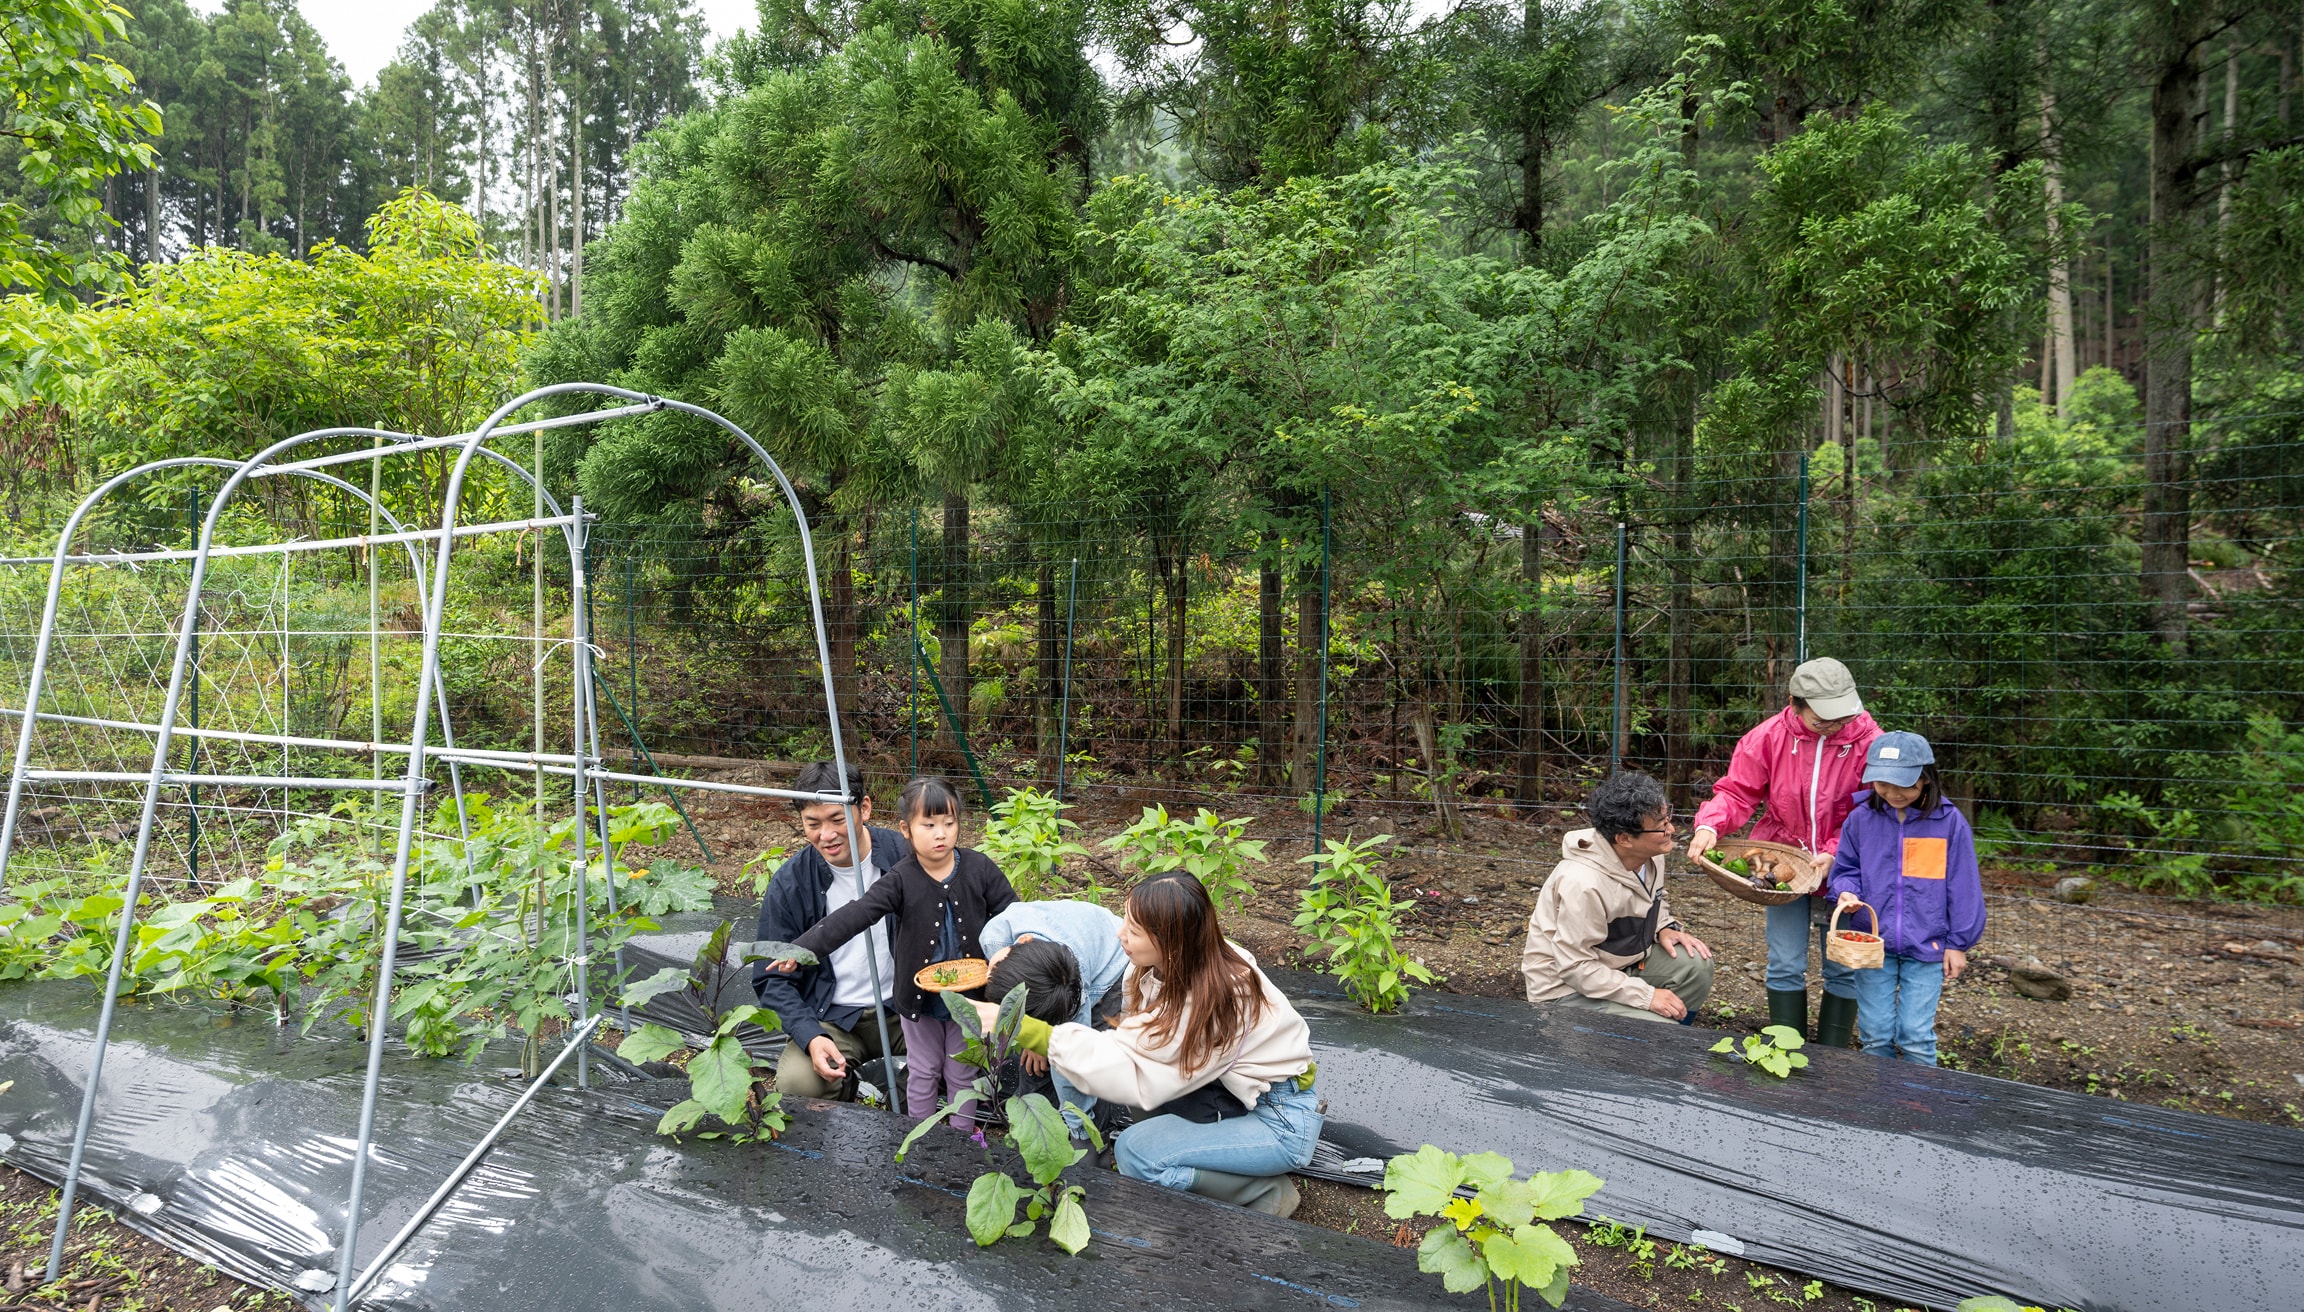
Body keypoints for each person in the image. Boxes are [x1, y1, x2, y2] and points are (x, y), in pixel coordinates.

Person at [962, 874, 1320, 1217]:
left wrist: (1030, 1031)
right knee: (1142, 1117)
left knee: (1136, 1152)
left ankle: (1266, 1193)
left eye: (1133, 930)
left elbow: (1129, 1068)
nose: (1120, 934)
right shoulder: (1163, 967)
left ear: (1173, 941)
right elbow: (1135, 1045)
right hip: (1238, 1094)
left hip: (1280, 1121)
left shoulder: (1218, 998)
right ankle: (1218, 1163)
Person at [786, 777, 1016, 1128]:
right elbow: (856, 914)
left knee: (962, 1071)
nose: (940, 833)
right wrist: (804, 948)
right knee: (924, 1071)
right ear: (905, 830)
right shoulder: (901, 877)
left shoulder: (978, 867)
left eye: (949, 823)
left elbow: (1011, 911)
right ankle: (920, 1139)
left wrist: (1022, 939)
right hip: (918, 1000)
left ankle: (961, 1142)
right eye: (929, 825)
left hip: (970, 996)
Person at [1688, 656, 1881, 1046]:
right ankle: (1787, 1051)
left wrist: (1834, 853)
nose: (1834, 724)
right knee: (1784, 964)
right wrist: (1710, 824)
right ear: (1796, 703)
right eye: (1821, 717)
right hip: (1783, 863)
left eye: (1840, 716)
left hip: (1847, 869)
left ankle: (1832, 1054)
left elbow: (1873, 811)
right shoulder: (1769, 737)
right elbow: (1737, 791)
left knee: (1843, 965)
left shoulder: (1871, 743)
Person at [751, 760, 911, 1100]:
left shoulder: (906, 858)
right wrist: (810, 1035)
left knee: (962, 1051)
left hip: (906, 1009)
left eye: (837, 819)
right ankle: (842, 1088)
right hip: (831, 1018)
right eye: (813, 824)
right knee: (799, 1085)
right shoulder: (790, 884)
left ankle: (905, 1092)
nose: (827, 834)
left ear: (864, 808)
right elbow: (771, 978)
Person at [1826, 732, 1986, 1066]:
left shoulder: (1948, 822)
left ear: (1926, 780)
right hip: (1872, 944)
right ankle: (1882, 1106)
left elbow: (1964, 886)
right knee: (1875, 1033)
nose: (1893, 793)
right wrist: (1846, 889)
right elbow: (1846, 868)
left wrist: (1957, 943)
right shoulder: (1861, 819)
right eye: (1883, 784)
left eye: (1903, 785)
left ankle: (1919, 1108)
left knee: (1915, 1035)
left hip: (1928, 947)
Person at [1522, 771, 1716, 1022]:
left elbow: (1654, 898)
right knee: (1656, 1030)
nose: (1671, 829)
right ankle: (1577, 1038)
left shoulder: (1651, 856)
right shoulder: (1583, 884)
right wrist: (1646, 997)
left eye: (1668, 819)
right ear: (1624, 838)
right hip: (1564, 989)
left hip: (1617, 964)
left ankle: (1671, 1035)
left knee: (1695, 965)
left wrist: (1665, 927)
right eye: (1661, 827)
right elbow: (1574, 967)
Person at [981, 899, 1129, 1126]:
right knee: (1033, 1066)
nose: (989, 976)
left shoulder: (1072, 986)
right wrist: (1033, 1042)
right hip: (1055, 964)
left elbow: (1073, 1065)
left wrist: (1080, 1127)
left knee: (1092, 1069)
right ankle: (1035, 1134)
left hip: (1112, 963)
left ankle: (1093, 1141)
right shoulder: (993, 940)